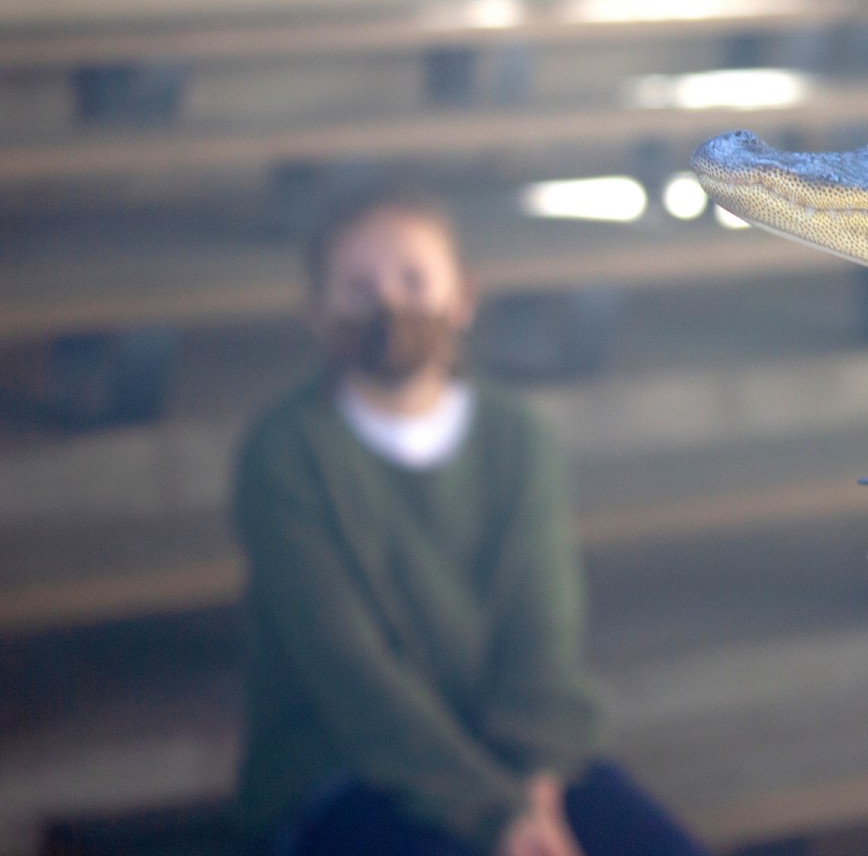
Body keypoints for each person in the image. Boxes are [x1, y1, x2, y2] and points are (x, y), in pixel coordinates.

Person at [232, 186, 707, 856]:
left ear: (463, 297)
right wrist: (494, 815)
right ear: (318, 313)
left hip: (515, 747)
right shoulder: (285, 453)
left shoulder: (516, 437)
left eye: (413, 278)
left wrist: (537, 781)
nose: (387, 305)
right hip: (345, 763)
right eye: (358, 286)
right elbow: (349, 671)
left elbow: (541, 631)